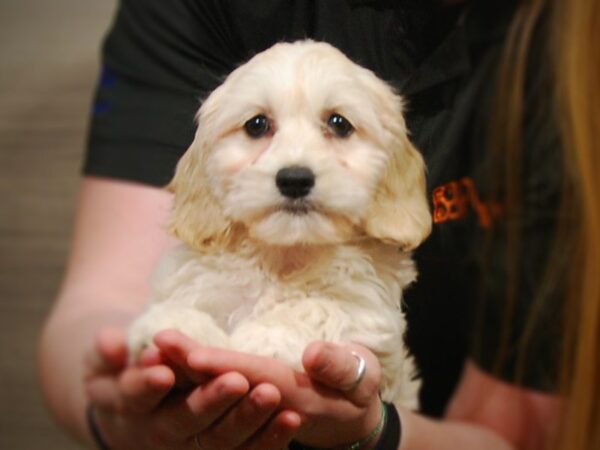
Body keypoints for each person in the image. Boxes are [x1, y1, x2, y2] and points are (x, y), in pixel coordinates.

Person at [38, 0, 599, 449]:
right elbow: (107, 309)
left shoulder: (562, 42)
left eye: (338, 124)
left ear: (391, 166)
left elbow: (520, 435)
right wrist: (129, 404)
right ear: (206, 159)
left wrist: (377, 433)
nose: (295, 166)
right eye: (257, 126)